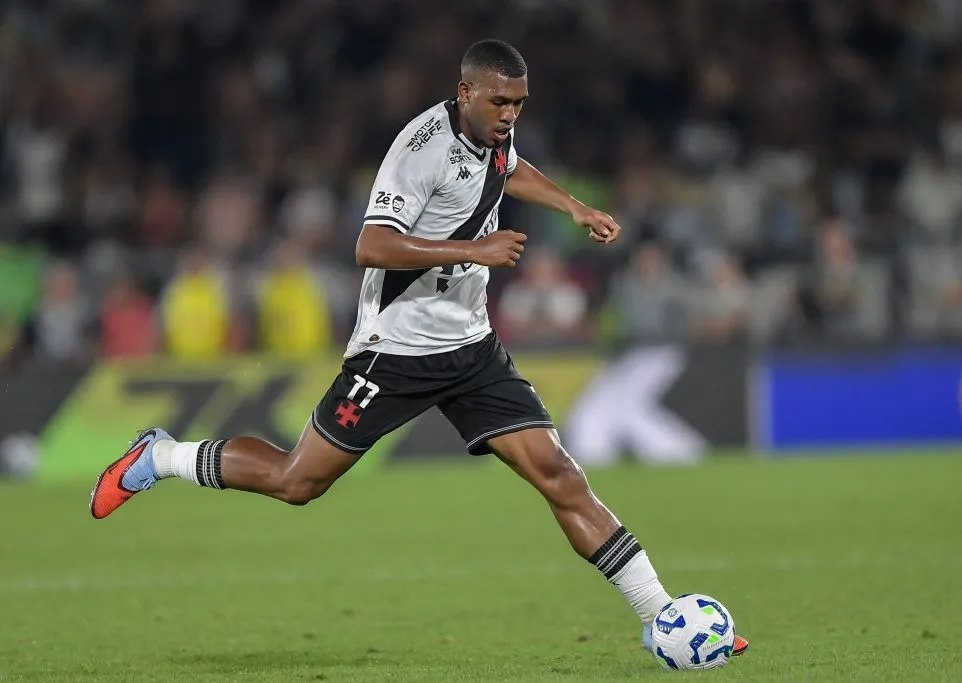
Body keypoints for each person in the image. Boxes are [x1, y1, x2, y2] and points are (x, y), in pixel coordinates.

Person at [89, 39, 748, 660]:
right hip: (395, 350)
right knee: (298, 481)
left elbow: (510, 170)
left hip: (472, 347)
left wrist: (572, 207)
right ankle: (163, 454)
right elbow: (370, 245)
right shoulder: (420, 148)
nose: (510, 115)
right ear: (465, 91)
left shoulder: (494, 132)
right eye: (500, 103)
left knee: (559, 475)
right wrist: (476, 250)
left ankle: (662, 614)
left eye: (519, 104)